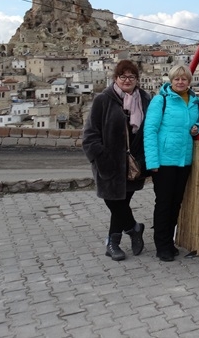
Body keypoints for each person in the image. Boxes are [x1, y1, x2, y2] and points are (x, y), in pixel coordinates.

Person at [82, 60, 151, 261]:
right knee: (114, 203)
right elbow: (90, 134)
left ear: (137, 79)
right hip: (108, 164)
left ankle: (113, 244)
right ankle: (134, 228)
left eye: (131, 77)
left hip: (133, 164)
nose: (127, 80)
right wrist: (100, 157)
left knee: (122, 204)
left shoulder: (144, 99)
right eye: (123, 76)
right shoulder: (104, 99)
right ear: (115, 78)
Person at [143, 64, 199, 262]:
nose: (180, 82)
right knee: (164, 203)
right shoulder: (161, 100)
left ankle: (169, 241)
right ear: (171, 80)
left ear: (189, 81)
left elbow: (198, 123)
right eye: (176, 78)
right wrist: (152, 162)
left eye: (184, 79)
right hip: (164, 161)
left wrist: (196, 127)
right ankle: (162, 245)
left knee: (176, 203)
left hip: (183, 159)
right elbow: (150, 131)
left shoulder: (195, 101)